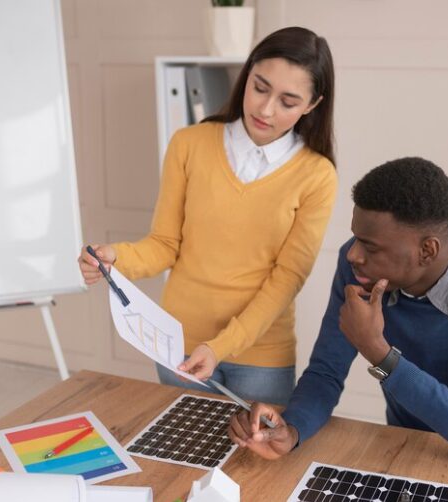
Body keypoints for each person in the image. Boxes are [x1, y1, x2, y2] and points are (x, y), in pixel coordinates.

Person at [78, 27, 337, 406]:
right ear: (247, 75)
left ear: (313, 105)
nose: (266, 109)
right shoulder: (190, 144)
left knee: (258, 464)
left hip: (262, 358)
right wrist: (116, 259)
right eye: (260, 87)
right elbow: (165, 245)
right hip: (178, 345)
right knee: (181, 458)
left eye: (288, 101)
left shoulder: (316, 175)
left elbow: (286, 279)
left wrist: (220, 347)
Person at [228, 157, 448, 467]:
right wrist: (291, 430)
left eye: (370, 247)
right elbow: (326, 370)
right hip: (404, 448)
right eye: (356, 238)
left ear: (427, 250)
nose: (352, 254)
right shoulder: (361, 269)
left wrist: (378, 351)